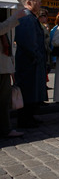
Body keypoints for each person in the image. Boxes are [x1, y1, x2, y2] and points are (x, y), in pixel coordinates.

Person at [14, 0, 48, 128]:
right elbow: (28, 42)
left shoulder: (32, 18)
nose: (39, 3)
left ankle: (30, 117)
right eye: (37, 1)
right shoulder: (26, 18)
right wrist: (37, 57)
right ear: (28, 3)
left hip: (33, 62)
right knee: (28, 92)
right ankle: (24, 119)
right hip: (29, 64)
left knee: (33, 92)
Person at [1, 8, 27, 138]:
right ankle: (5, 129)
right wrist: (15, 17)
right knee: (3, 100)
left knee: (4, 100)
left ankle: (5, 128)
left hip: (3, 68)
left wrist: (11, 68)